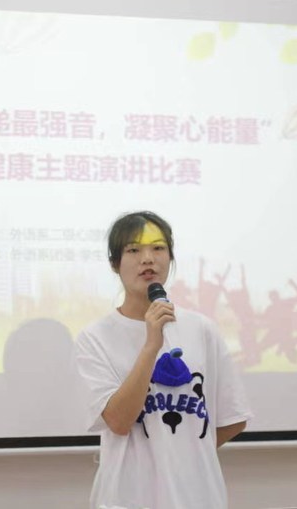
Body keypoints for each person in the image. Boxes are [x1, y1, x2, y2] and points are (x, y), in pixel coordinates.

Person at [75, 211, 252, 509]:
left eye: (158, 248)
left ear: (170, 257)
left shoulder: (202, 329)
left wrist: (183, 455)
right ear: (114, 263)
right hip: (128, 498)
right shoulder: (95, 338)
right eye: (134, 250)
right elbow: (118, 421)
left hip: (198, 498)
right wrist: (151, 346)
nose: (148, 259)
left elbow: (232, 419)